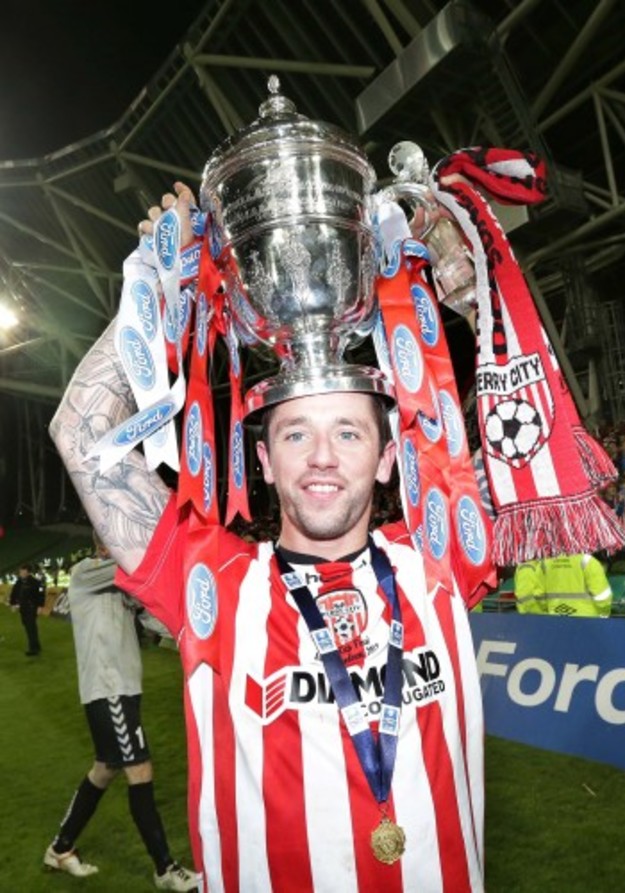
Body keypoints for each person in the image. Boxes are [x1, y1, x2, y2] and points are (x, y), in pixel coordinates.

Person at [49, 182, 487, 891]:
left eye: (348, 430)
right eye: (295, 433)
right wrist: (156, 287)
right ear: (264, 459)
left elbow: (519, 431)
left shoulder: (443, 556)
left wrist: (456, 276)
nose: (321, 455)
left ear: (385, 457)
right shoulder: (211, 583)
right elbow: (80, 433)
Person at [43, 532, 197, 892]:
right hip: (110, 691)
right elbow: (138, 566)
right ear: (101, 543)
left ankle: (60, 849)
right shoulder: (85, 572)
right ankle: (165, 868)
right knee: (139, 768)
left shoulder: (124, 584)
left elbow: (155, 622)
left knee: (104, 769)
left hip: (124, 690)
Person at [541, 553, 613, 618]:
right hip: (586, 622)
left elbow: (539, 594)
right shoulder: (588, 561)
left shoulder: (546, 562)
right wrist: (603, 615)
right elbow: (602, 596)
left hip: (554, 620)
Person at [9, 563, 45, 655]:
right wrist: (13, 603)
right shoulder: (19, 582)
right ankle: (36, 646)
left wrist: (40, 606)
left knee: (31, 627)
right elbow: (14, 592)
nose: (20, 572)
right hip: (23, 608)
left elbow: (41, 594)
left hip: (31, 607)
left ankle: (33, 649)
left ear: (27, 572)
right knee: (28, 627)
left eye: (22, 571)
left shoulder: (35, 582)